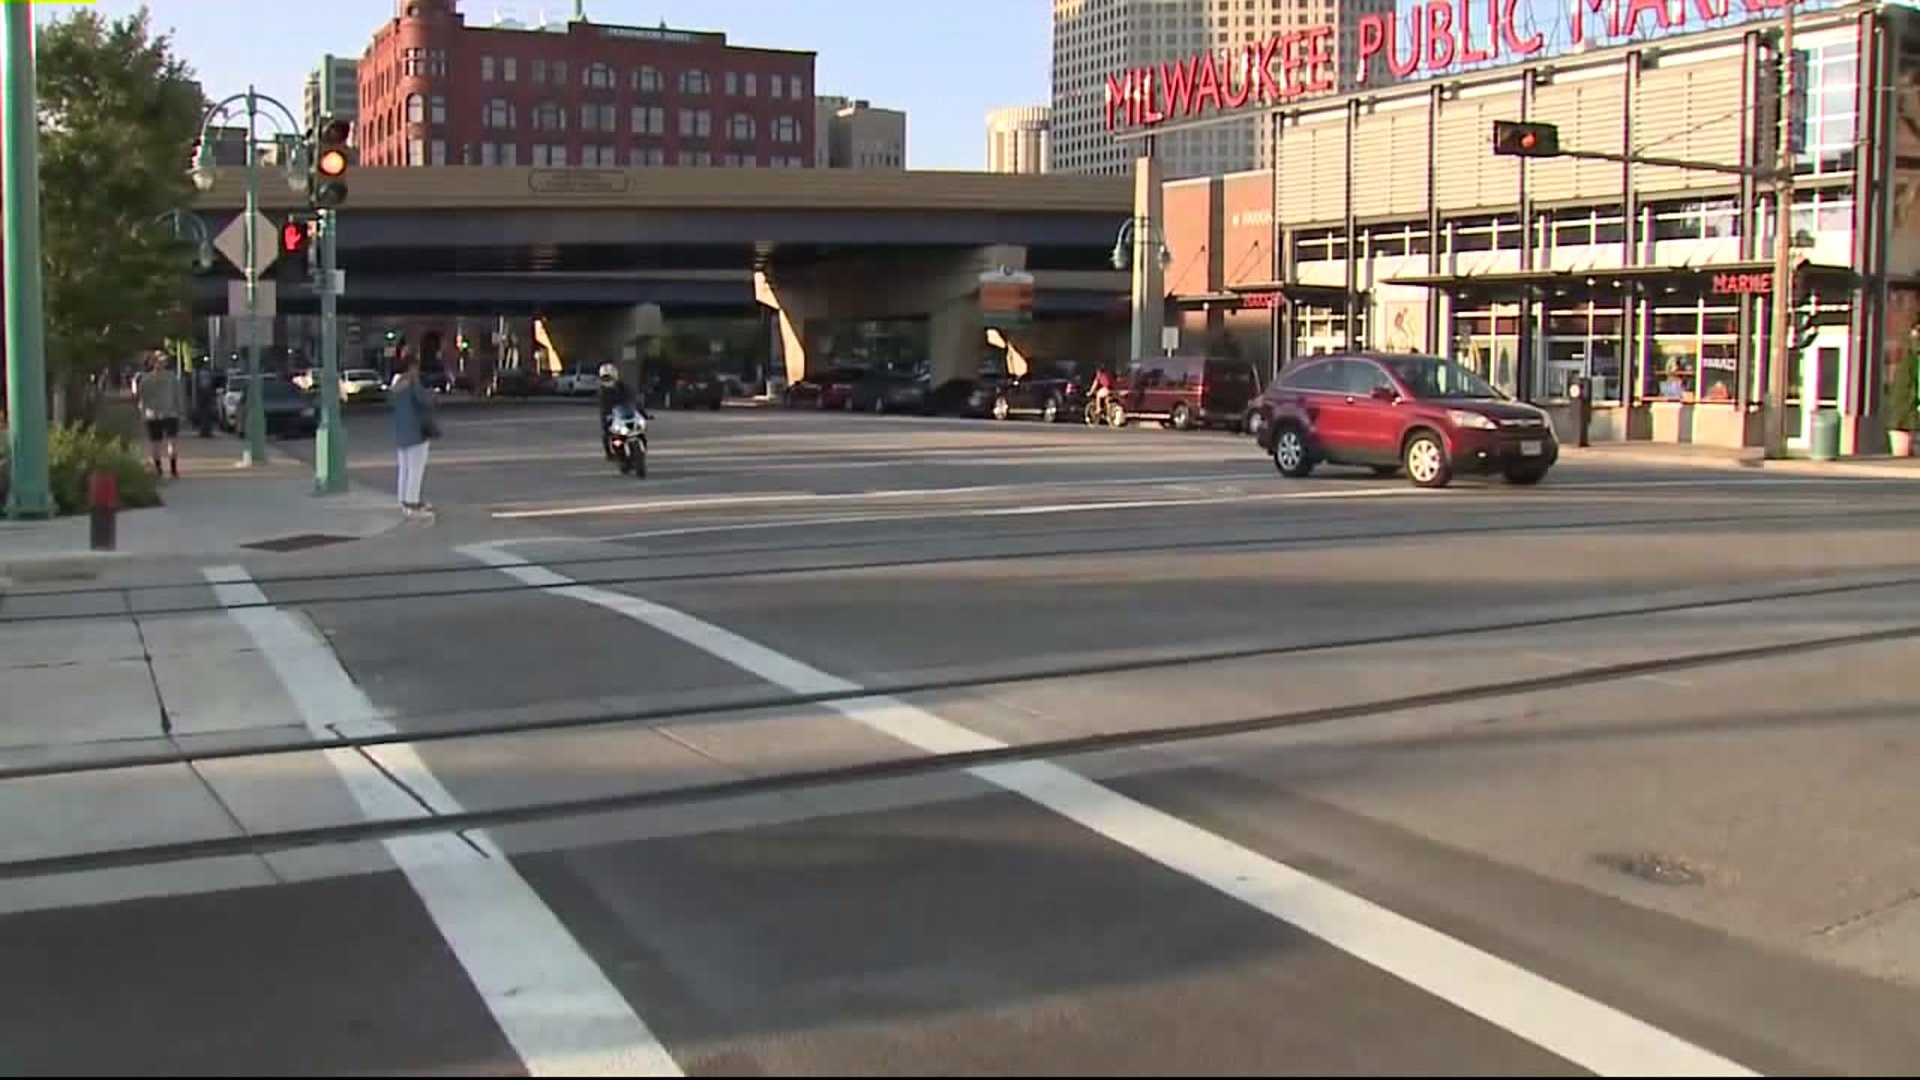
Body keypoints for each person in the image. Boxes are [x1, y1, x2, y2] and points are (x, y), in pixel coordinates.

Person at [389, 353, 438, 516]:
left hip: (401, 431)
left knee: (404, 469)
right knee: (416, 469)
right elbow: (424, 401)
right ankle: (412, 501)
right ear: (411, 367)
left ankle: (402, 499)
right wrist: (432, 394)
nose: (417, 371)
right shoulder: (412, 383)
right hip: (416, 431)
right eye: (416, 367)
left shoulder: (395, 384)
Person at [132, 351, 184, 478]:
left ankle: (158, 469)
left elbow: (140, 398)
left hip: (152, 415)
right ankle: (173, 470)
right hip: (170, 413)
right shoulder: (172, 377)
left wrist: (142, 413)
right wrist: (180, 411)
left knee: (156, 443)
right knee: (172, 442)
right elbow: (178, 396)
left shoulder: (145, 379)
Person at [596, 362, 641, 458]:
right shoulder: (602, 391)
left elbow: (632, 396)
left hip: (624, 410)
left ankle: (637, 445)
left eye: (609, 377)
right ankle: (609, 452)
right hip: (610, 413)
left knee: (636, 425)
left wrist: (637, 406)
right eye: (605, 378)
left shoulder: (623, 386)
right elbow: (603, 405)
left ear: (615, 376)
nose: (607, 380)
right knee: (607, 432)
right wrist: (607, 414)